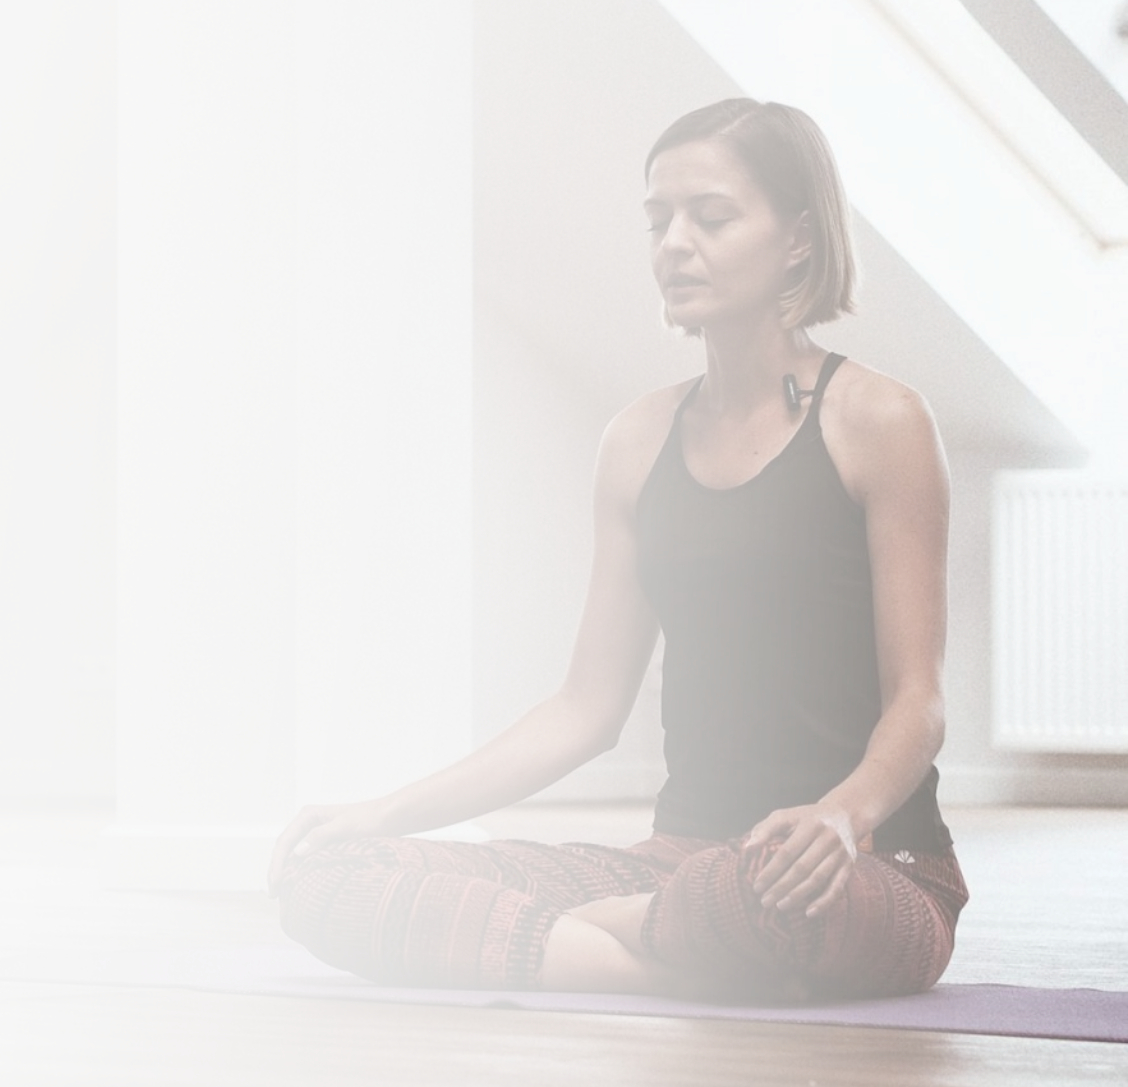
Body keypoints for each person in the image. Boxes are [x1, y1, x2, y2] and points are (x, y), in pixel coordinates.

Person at [267, 98, 967, 1002]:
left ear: (798, 238)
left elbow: (919, 703)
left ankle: (571, 944)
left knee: (760, 894)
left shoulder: (880, 420)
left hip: (860, 869)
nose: (675, 244)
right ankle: (668, 958)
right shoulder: (637, 440)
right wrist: (382, 814)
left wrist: (839, 816)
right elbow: (585, 708)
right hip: (677, 869)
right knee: (331, 878)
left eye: (711, 217)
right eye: (658, 220)